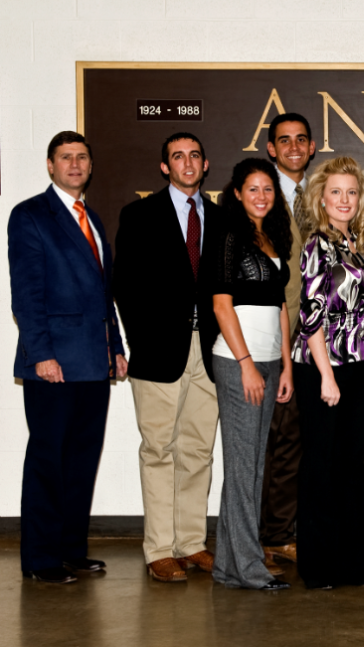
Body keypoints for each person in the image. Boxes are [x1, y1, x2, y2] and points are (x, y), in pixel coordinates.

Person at [9, 131, 127, 584]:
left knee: (81, 459)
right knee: (48, 460)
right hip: (53, 362)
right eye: (65, 157)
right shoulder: (30, 215)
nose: (74, 164)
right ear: (49, 165)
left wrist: (115, 346)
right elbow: (27, 293)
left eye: (82, 157)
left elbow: (103, 294)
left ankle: (70, 550)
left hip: (93, 362)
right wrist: (40, 354)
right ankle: (40, 558)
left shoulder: (92, 218)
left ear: (90, 166)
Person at [113, 132, 225, 582]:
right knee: (158, 449)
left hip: (209, 350)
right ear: (165, 167)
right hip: (159, 352)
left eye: (194, 155)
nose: (187, 162)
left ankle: (191, 542)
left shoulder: (219, 219)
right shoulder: (139, 215)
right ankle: (159, 548)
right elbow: (125, 286)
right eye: (177, 156)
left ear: (205, 162)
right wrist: (142, 340)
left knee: (198, 450)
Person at [292, 156, 364, 590]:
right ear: (321, 200)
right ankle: (319, 565)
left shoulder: (361, 245)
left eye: (351, 192)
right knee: (320, 465)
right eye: (336, 192)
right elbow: (311, 316)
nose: (344, 199)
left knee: (351, 463)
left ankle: (355, 562)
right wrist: (327, 376)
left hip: (355, 364)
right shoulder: (317, 246)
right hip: (320, 367)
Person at [210, 158, 294, 591]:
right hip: (236, 361)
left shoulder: (274, 236)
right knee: (243, 469)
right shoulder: (227, 234)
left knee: (251, 467)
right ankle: (249, 567)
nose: (261, 196)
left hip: (269, 362)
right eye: (253, 189)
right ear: (237, 192)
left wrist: (284, 366)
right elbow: (222, 305)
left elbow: (280, 307)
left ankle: (228, 566)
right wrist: (245, 364)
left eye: (268, 189)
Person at [259, 112, 314, 570]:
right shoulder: (259, 196)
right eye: (284, 141)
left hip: (317, 338)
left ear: (311, 147)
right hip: (272, 335)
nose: (293, 147)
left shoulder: (319, 195)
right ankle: (268, 535)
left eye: (301, 140)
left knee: (296, 439)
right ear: (271, 148)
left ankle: (285, 532)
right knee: (271, 440)